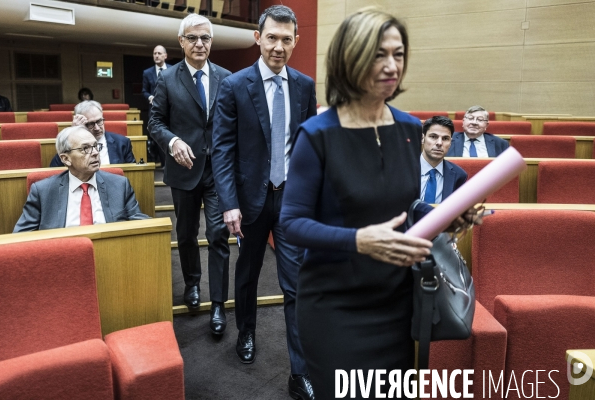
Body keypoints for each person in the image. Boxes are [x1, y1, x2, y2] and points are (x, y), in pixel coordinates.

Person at [279, 9, 481, 399]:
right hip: (334, 305)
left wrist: (447, 216)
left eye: (399, 54)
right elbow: (291, 223)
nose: (392, 66)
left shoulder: (408, 129)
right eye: (378, 55)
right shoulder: (317, 135)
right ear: (351, 58)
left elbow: (407, 205)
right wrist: (358, 240)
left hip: (395, 302)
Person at [211, 5, 316, 399]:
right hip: (248, 202)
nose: (279, 46)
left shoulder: (304, 86)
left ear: (295, 42)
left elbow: (307, 147)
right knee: (249, 275)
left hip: (291, 202)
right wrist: (229, 202)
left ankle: (299, 371)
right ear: (258, 37)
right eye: (271, 37)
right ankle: (247, 331)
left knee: (296, 285)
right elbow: (221, 150)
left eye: (287, 39)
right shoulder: (235, 85)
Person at [149, 14, 232, 335]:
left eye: (206, 39)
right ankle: (193, 284)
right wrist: (172, 141)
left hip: (218, 172)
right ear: (181, 42)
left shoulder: (228, 78)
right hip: (183, 171)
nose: (200, 44)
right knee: (185, 234)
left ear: (212, 42)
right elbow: (155, 123)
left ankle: (218, 305)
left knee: (218, 235)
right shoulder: (168, 79)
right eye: (193, 38)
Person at [14, 126, 148, 233]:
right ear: (65, 159)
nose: (95, 152)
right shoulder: (43, 191)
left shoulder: (120, 185)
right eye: (85, 149)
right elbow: (21, 236)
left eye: (96, 146)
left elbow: (140, 223)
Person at [50, 101, 135, 167]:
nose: (97, 128)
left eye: (99, 121)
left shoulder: (122, 142)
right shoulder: (72, 144)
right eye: (90, 124)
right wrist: (74, 132)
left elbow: (131, 172)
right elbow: (55, 168)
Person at [420, 116, 467, 203]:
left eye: (445, 138)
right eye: (433, 137)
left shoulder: (459, 175)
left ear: (450, 143)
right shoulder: (402, 169)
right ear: (423, 138)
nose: (439, 143)